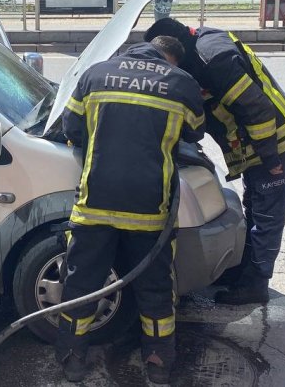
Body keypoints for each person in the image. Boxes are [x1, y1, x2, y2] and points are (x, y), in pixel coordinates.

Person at [56, 36, 204, 385]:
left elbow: (72, 128)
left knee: (81, 283)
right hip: (149, 210)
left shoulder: (95, 73)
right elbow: (195, 132)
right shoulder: (180, 83)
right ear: (171, 60)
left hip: (95, 206)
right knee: (155, 288)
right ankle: (157, 362)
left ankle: (72, 357)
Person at [144, 18, 285, 305]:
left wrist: (270, 159)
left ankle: (256, 284)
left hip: (273, 140)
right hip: (257, 143)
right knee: (254, 207)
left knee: (266, 215)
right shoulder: (200, 46)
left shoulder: (214, 58)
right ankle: (244, 273)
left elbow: (257, 110)